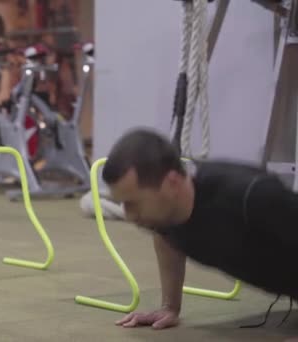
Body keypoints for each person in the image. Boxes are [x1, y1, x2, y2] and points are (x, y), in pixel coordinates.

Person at [101, 128, 298, 331]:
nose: (128, 215)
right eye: (122, 204)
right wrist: (170, 307)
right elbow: (164, 236)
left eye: (133, 203)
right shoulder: (166, 214)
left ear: (172, 183)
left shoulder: (253, 194)